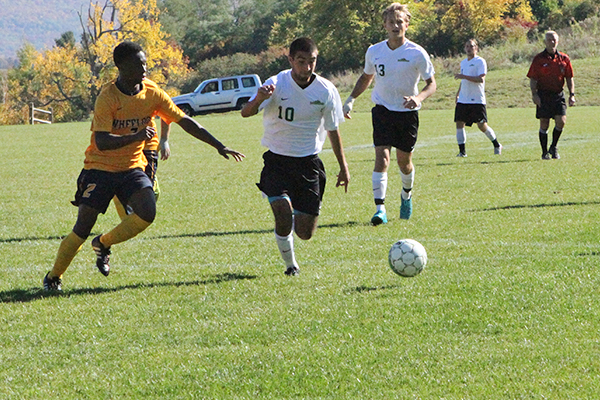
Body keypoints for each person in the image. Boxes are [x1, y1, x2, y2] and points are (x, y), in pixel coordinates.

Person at [43, 41, 244, 291]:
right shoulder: (107, 97)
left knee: (147, 212)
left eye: (145, 62)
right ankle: (54, 276)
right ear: (120, 66)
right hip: (100, 168)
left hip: (131, 168)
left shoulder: (152, 92)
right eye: (138, 63)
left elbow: (184, 120)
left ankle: (103, 243)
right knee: (82, 228)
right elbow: (102, 142)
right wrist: (135, 137)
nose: (144, 67)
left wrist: (218, 145)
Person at [241, 37, 350, 276]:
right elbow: (245, 112)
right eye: (301, 61)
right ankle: (291, 266)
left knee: (305, 232)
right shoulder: (276, 83)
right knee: (281, 210)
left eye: (312, 61)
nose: (307, 67)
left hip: (308, 164)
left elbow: (333, 129)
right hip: (277, 161)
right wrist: (259, 98)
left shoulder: (326, 90)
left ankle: (295, 214)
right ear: (290, 59)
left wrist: (343, 167)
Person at [343, 3, 436, 225]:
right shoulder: (374, 51)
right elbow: (366, 77)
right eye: (391, 22)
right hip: (382, 110)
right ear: (385, 25)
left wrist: (418, 99)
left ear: (407, 24)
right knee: (382, 158)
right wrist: (350, 99)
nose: (396, 26)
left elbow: (431, 84)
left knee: (404, 163)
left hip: (406, 113)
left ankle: (406, 195)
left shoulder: (417, 53)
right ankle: (380, 209)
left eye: (399, 21)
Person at [527, 30, 575, 160]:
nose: (552, 42)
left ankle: (553, 147)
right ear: (545, 42)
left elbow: (569, 77)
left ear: (557, 41)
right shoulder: (538, 59)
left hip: (558, 95)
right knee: (544, 123)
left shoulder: (564, 59)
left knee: (561, 121)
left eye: (554, 39)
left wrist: (572, 94)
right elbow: (533, 79)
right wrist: (534, 94)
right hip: (543, 95)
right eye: (549, 40)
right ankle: (544, 152)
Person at [454, 38, 502, 157]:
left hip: (476, 99)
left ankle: (496, 144)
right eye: (467, 46)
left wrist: (463, 76)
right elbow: (463, 81)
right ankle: (462, 152)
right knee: (459, 123)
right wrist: (458, 93)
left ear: (476, 48)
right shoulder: (463, 62)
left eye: (471, 46)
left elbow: (481, 79)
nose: (469, 48)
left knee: (481, 125)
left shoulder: (480, 62)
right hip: (463, 99)